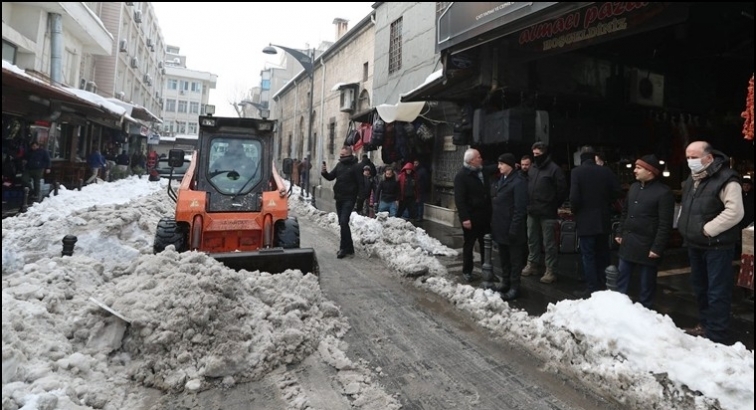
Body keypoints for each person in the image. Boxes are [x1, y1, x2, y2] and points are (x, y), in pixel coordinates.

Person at [678, 141, 744, 344]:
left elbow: (735, 211)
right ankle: (705, 326)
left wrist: (707, 230)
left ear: (709, 157)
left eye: (694, 157)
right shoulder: (692, 179)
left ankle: (717, 334)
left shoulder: (727, 179)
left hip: (717, 245)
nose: (690, 161)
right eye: (688, 157)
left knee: (717, 290)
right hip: (695, 244)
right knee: (700, 288)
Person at [615, 154, 675, 309]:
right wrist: (620, 232)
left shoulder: (664, 192)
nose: (635, 170)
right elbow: (625, 212)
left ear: (650, 171)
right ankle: (618, 309)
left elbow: (665, 223)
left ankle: (645, 311)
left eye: (638, 168)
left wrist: (657, 247)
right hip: (628, 242)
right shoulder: (634, 187)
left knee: (646, 284)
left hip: (648, 245)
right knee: (622, 279)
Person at [570, 146, 622, 296]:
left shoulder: (576, 172)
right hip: (603, 218)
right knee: (603, 253)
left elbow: (574, 197)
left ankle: (592, 287)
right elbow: (618, 191)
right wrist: (607, 202)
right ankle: (604, 283)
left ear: (581, 158)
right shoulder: (605, 171)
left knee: (588, 255)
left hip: (585, 220)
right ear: (594, 157)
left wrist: (576, 211)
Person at [522, 142, 568, 284]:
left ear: (544, 153)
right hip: (532, 210)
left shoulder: (554, 169)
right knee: (532, 239)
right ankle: (533, 264)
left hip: (547, 212)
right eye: (534, 154)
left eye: (538, 154)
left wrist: (553, 204)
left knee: (549, 243)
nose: (535, 157)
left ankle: (550, 270)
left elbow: (562, 190)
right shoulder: (533, 168)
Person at [490, 153, 528, 300]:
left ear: (509, 165)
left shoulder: (518, 182)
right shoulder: (502, 179)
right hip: (501, 227)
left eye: (501, 164)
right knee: (504, 258)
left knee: (515, 260)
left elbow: (519, 209)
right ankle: (505, 282)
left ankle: (514, 287)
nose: (498, 166)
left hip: (512, 229)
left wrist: (514, 228)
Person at [454, 148, 493, 282]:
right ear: (471, 161)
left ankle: (487, 270)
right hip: (471, 217)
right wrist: (465, 218)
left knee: (485, 244)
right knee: (469, 244)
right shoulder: (461, 176)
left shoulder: (482, 171)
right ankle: (467, 271)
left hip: (484, 215)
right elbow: (459, 199)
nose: (481, 159)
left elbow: (493, 168)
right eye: (478, 157)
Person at [321, 146, 362, 259]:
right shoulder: (339, 165)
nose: (341, 157)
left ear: (349, 154)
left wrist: (360, 200)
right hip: (339, 198)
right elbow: (330, 177)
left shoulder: (355, 167)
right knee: (342, 223)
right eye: (340, 155)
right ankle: (350, 248)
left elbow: (361, 184)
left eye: (343, 155)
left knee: (344, 222)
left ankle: (343, 248)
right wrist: (324, 172)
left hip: (349, 198)